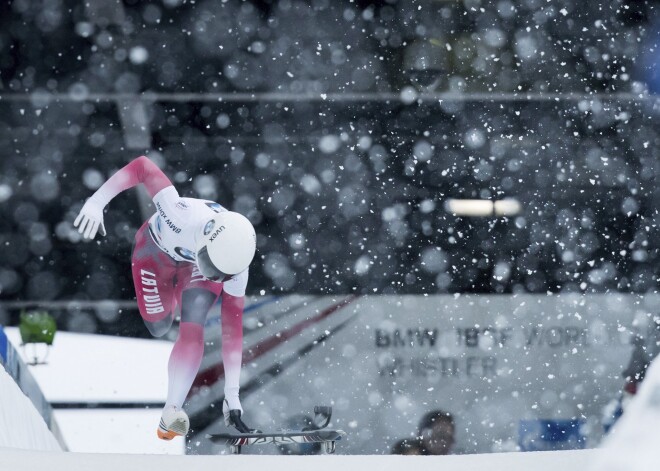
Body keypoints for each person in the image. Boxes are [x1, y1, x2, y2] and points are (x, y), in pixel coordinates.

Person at [73, 155, 257, 440]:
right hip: (154, 252)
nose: (215, 276)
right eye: (212, 267)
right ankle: (172, 297)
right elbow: (143, 166)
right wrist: (97, 202)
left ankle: (171, 411)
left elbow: (231, 329)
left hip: (190, 266)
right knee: (159, 326)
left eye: (220, 275)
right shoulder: (179, 213)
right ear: (207, 238)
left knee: (193, 325)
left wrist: (232, 394)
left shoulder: (234, 269)